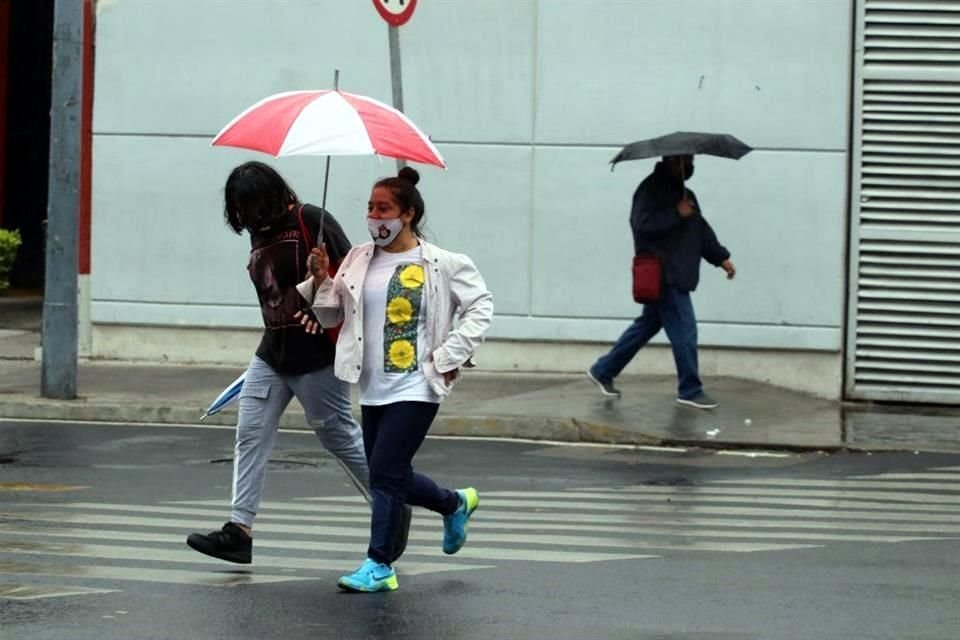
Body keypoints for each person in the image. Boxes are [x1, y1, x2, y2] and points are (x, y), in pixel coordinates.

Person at [297, 166, 494, 593]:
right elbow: (332, 314)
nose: (374, 217)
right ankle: (454, 503)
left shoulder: (442, 263)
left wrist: (450, 354)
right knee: (387, 474)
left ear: (407, 214)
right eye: (370, 208)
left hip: (418, 383)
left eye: (383, 209)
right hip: (372, 385)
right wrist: (321, 278)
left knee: (385, 472)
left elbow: (481, 306)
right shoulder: (359, 259)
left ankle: (380, 564)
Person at [186, 161, 383, 565]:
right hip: (272, 352)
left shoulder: (311, 220)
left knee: (339, 437)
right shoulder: (259, 232)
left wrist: (323, 282)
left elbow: (356, 277)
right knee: (250, 432)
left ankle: (392, 504)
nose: (244, 215)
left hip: (316, 354)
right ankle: (239, 530)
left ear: (269, 197)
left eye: (248, 205)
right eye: (237, 208)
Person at [587, 154, 735, 409]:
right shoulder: (650, 189)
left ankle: (603, 370)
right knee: (685, 330)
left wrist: (721, 258)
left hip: (679, 272)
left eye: (690, 160)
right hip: (664, 273)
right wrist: (676, 213)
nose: (687, 165)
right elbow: (641, 225)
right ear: (668, 160)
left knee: (646, 326)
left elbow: (700, 229)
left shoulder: (686, 194)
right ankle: (690, 390)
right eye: (682, 160)